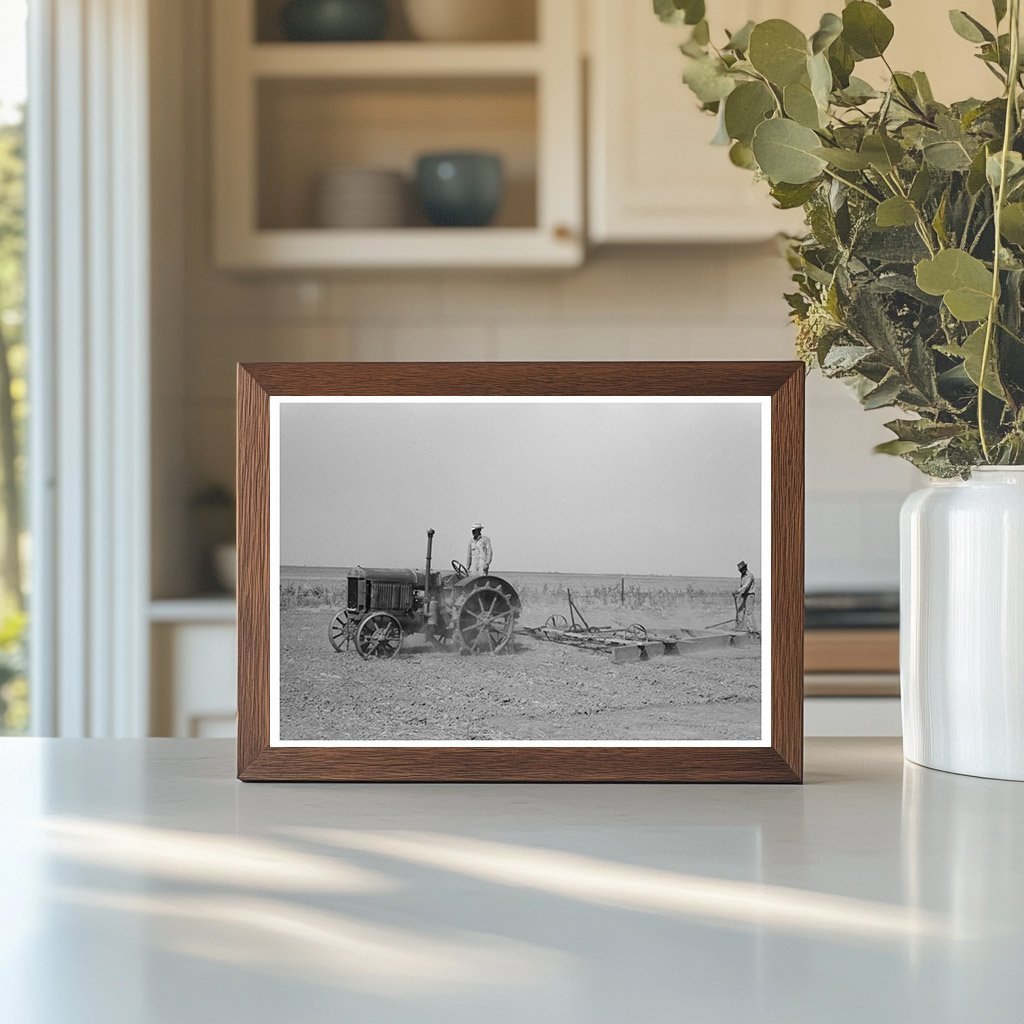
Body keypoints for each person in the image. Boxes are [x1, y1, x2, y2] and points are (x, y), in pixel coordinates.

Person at [733, 560, 755, 627]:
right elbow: (742, 586)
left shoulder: (749, 575)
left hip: (749, 595)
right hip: (743, 595)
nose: (740, 571)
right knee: (740, 610)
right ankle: (739, 625)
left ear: (745, 568)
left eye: (741, 569)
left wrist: (737, 591)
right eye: (739, 570)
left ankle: (750, 628)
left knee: (749, 611)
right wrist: (738, 594)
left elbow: (746, 586)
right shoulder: (742, 576)